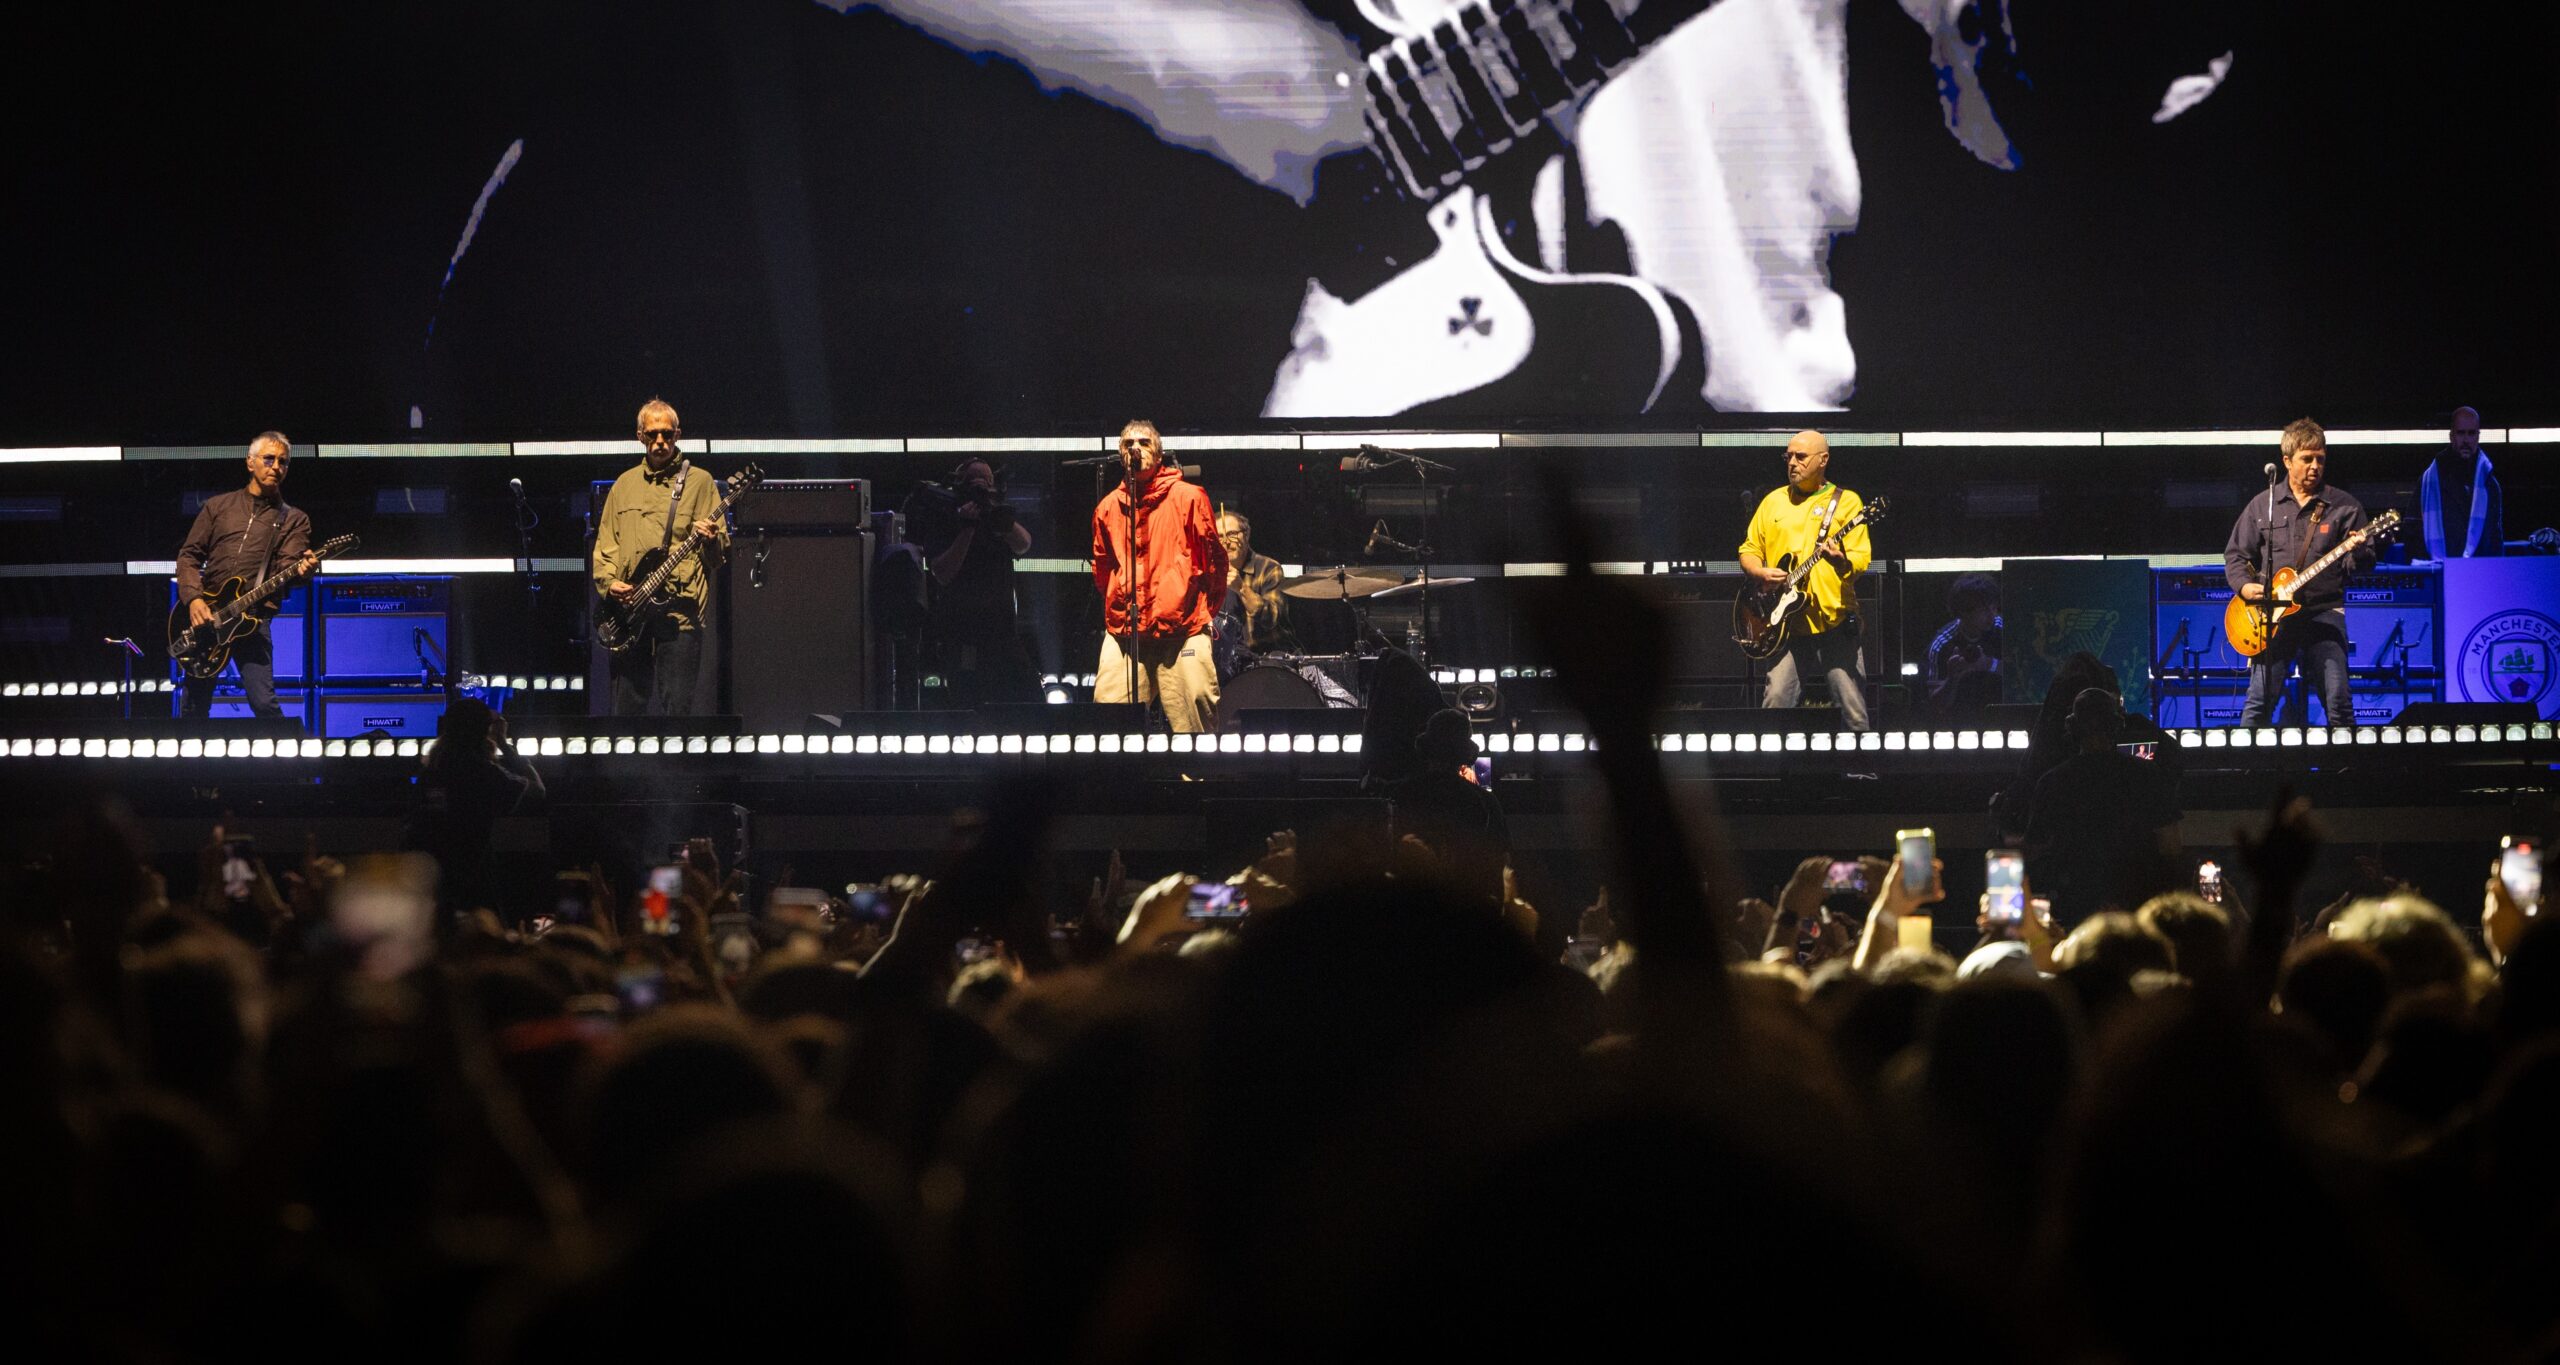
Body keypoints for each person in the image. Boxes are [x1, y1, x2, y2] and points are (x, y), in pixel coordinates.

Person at [2224, 417, 2374, 727]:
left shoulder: (2345, 507)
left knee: (2339, 702)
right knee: (2257, 706)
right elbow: (2236, 555)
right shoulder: (2262, 505)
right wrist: (2245, 588)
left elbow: (2361, 565)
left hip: (2323, 614)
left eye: (2320, 458)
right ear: (2287, 461)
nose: (2315, 466)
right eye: (2307, 459)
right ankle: (2248, 770)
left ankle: (2345, 770)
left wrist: (2358, 550)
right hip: (2273, 617)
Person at [592, 398, 728, 716]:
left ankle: (675, 766)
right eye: (652, 435)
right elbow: (605, 547)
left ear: (678, 434)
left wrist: (710, 540)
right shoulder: (623, 487)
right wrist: (610, 584)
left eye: (666, 434)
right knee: (626, 710)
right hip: (630, 615)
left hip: (679, 616)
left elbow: (719, 554)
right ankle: (627, 766)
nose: (660, 442)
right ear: (640, 436)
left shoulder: (700, 483)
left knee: (677, 710)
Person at [1089, 420, 1226, 732]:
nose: (1135, 449)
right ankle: (1121, 782)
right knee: (1109, 723)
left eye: (1144, 443)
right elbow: (1103, 568)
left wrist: (1200, 609)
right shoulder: (1108, 507)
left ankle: (1196, 781)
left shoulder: (1189, 498)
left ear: (1159, 453)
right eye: (1128, 444)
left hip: (1183, 627)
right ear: (1120, 454)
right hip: (1126, 632)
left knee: (1195, 719)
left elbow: (1214, 562)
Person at [175, 431, 318, 721]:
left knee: (264, 705)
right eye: (269, 459)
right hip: (208, 619)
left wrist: (302, 572)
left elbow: (288, 569)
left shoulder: (294, 519)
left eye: (283, 462)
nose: (276, 467)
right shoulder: (218, 507)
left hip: (253, 621)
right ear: (250, 463)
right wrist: (193, 600)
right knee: (192, 706)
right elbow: (188, 556)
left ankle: (289, 765)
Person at [1739, 429, 1873, 730]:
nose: (1792, 463)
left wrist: (1841, 561)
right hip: (1784, 625)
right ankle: (1774, 774)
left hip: (1834, 621)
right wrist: (1759, 572)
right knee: (1775, 704)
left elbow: (1860, 560)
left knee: (1852, 710)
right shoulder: (1773, 501)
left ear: (1823, 460)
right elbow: (1749, 549)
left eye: (1801, 457)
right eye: (1789, 456)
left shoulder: (1847, 502)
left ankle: (1860, 771)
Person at [2023, 688, 2182, 927]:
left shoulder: (2052, 782)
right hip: (2138, 906)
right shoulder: (2147, 776)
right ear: (2116, 726)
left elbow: (2033, 851)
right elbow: (2171, 846)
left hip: (2074, 906)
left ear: (2073, 728)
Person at [913, 457, 1036, 708]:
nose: (981, 487)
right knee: (969, 705)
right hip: (963, 635)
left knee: (1030, 698)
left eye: (986, 481)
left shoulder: (998, 517)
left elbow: (1024, 545)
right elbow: (942, 572)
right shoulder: (945, 517)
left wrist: (1002, 520)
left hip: (1002, 632)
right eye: (974, 481)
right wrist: (967, 529)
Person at [2418, 405, 2503, 560]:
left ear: (2478, 436)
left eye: (2471, 433)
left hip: (2481, 574)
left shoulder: (2491, 485)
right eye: (2460, 433)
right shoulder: (2429, 481)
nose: (2465, 440)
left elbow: (2495, 538)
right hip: (2440, 575)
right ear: (2451, 436)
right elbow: (2414, 530)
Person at [1925, 572, 2003, 716]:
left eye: (1993, 608)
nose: (1992, 615)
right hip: (1959, 723)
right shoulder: (1941, 645)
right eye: (1983, 610)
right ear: (1963, 611)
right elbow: (1937, 705)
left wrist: (1988, 664)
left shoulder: (2003, 630)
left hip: (2002, 717)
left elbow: (2023, 676)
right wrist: (1952, 678)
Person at [1217, 509, 1291, 654]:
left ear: (1246, 535)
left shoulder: (1268, 568)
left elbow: (1272, 618)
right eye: (1219, 537)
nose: (1225, 542)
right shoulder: (1210, 573)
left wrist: (1241, 588)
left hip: (1266, 656)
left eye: (1232, 534)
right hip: (1227, 658)